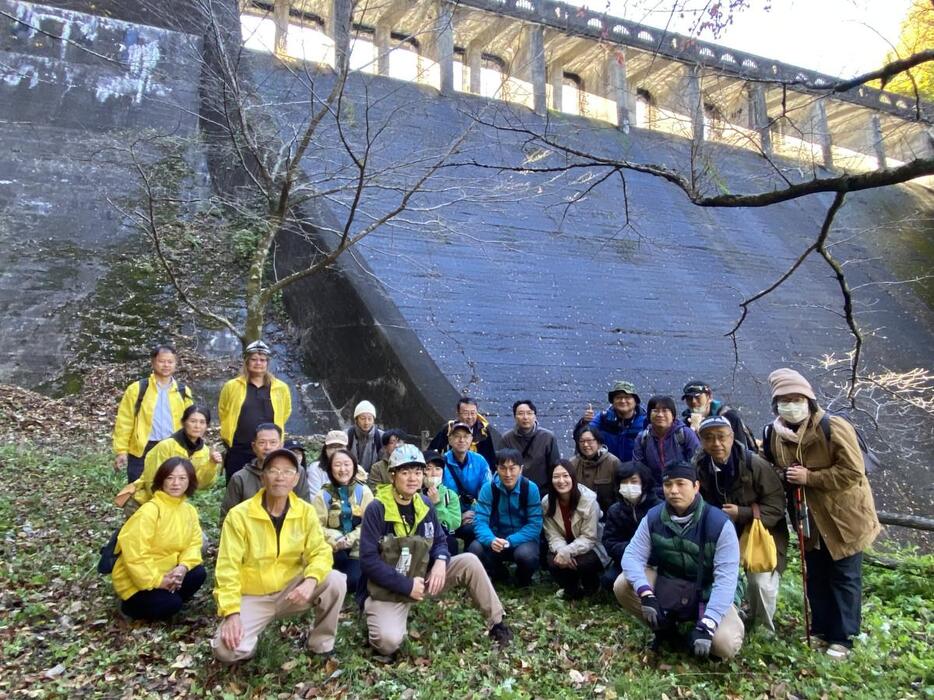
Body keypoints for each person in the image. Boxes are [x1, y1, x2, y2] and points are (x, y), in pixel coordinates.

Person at [764, 368, 880, 659]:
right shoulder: (775, 434)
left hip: (844, 517)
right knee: (815, 574)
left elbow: (852, 471)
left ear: (809, 400)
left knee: (843, 575)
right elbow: (774, 467)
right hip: (808, 519)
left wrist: (810, 477)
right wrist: (785, 474)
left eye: (796, 398)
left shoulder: (833, 426)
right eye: (783, 400)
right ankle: (820, 630)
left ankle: (842, 638)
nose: (791, 405)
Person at [358, 444, 512, 659]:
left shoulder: (425, 504)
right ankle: (373, 612)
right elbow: (368, 560)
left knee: (469, 560)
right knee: (387, 643)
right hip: (388, 589)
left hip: (422, 579)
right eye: (405, 472)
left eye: (418, 472)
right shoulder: (377, 508)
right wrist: (407, 585)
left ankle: (497, 623)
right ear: (393, 475)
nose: (413, 478)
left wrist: (440, 561)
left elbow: (440, 540)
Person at [212, 447, 347, 663]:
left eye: (287, 472)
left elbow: (320, 551)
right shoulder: (239, 516)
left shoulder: (304, 511)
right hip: (253, 595)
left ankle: (320, 643)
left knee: (335, 581)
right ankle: (250, 639)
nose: (280, 477)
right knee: (226, 651)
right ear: (263, 477)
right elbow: (227, 567)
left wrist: (310, 581)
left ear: (296, 479)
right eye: (273, 471)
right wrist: (231, 613)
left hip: (292, 590)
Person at [614, 461, 744, 660]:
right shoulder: (654, 517)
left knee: (724, 645)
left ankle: (713, 624)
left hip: (709, 590)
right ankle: (665, 629)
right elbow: (632, 556)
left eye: (681, 483)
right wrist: (646, 593)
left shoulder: (719, 524)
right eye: (668, 485)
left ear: (696, 486)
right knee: (622, 584)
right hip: (672, 584)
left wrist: (708, 624)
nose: (673, 490)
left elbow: (725, 580)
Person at [694, 416, 787, 632]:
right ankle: (723, 616)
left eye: (721, 437)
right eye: (708, 438)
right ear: (701, 441)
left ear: (732, 437)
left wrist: (742, 513)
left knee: (760, 582)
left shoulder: (755, 464)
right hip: (719, 535)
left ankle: (763, 628)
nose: (716, 443)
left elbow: (776, 506)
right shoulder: (699, 466)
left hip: (761, 532)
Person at [111, 457, 206, 621]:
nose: (176, 483)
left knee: (198, 573)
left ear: (189, 482)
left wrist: (183, 567)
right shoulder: (150, 511)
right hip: (139, 580)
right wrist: (158, 580)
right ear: (161, 480)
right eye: (170, 477)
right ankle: (129, 607)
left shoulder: (189, 511)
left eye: (182, 478)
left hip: (168, 570)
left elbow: (194, 543)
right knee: (171, 604)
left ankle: (167, 596)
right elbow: (134, 554)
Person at [113, 344, 193, 483]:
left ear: (175, 364)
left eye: (170, 362)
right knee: (137, 488)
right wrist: (121, 450)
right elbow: (124, 421)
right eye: (161, 361)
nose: (166, 365)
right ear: (153, 362)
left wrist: (191, 446)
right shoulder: (137, 389)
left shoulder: (182, 391)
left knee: (169, 487)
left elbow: (190, 422)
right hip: (142, 449)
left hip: (172, 447)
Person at [124, 405, 222, 514]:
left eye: (202, 422)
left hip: (175, 505)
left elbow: (200, 484)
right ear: (183, 422)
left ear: (207, 426)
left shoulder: (204, 452)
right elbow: (151, 479)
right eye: (193, 421)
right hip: (145, 503)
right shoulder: (167, 446)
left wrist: (211, 464)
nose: (197, 426)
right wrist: (164, 506)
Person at [218, 340, 292, 482]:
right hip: (239, 448)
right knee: (237, 486)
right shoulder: (232, 386)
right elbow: (224, 411)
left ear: (267, 363)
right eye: (254, 359)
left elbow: (285, 412)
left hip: (269, 449)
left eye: (262, 360)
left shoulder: (280, 388)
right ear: (246, 361)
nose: (258, 363)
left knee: (268, 486)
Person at [468, 448, 543, 587]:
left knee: (526, 555)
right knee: (475, 548)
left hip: (522, 539)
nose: (508, 474)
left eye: (512, 469)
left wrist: (510, 541)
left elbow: (535, 525)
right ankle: (499, 574)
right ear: (496, 468)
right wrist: (491, 540)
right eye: (502, 468)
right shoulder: (488, 489)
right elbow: (480, 521)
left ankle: (523, 580)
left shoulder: (530, 488)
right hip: (496, 537)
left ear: (520, 469)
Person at [541, 460, 608, 599]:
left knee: (583, 562)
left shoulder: (589, 501)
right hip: (565, 544)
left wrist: (568, 551)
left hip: (592, 546)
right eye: (556, 477)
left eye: (565, 476)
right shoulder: (547, 502)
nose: (561, 481)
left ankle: (592, 585)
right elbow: (552, 535)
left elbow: (589, 537)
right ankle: (572, 589)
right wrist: (561, 551)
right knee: (553, 561)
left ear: (573, 477)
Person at [219, 423, 310, 526]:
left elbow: (305, 511)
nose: (267, 447)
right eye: (262, 443)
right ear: (254, 447)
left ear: (281, 445)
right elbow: (227, 520)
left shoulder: (296, 472)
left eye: (273, 443)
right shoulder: (240, 478)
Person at [313, 449, 374, 594]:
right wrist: (334, 538)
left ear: (354, 467)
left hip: (357, 548)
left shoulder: (363, 492)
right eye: (337, 465)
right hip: (332, 548)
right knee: (327, 577)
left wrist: (349, 539)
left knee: (352, 582)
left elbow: (369, 524)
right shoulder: (323, 495)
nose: (343, 469)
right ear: (330, 468)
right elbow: (316, 526)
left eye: (347, 464)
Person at [601, 461, 660, 591]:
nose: (629, 486)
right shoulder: (615, 510)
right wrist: (632, 551)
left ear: (644, 483)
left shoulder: (659, 508)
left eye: (634, 481)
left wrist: (646, 554)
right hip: (626, 559)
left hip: (654, 562)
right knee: (608, 580)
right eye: (624, 482)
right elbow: (609, 541)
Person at [441, 422, 492, 547]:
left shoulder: (479, 461)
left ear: (471, 440)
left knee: (476, 529)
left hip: (473, 515)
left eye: (466, 436)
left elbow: (488, 490)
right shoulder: (441, 462)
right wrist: (458, 516)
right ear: (450, 439)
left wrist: (475, 512)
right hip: (449, 517)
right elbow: (438, 494)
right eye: (457, 436)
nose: (461, 440)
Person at [633, 395, 701, 488]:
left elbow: (696, 464)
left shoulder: (685, 433)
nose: (660, 415)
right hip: (655, 492)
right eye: (655, 411)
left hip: (683, 487)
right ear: (649, 415)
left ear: (673, 415)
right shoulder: (643, 438)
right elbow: (638, 468)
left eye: (665, 411)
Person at [578, 380, 647, 464]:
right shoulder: (603, 418)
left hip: (635, 471)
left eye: (627, 397)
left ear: (635, 401)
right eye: (618, 398)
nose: (623, 401)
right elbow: (584, 434)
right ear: (612, 401)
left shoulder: (645, 421)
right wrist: (585, 422)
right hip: (609, 469)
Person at [498, 400, 561, 490]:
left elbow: (555, 466)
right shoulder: (506, 438)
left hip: (542, 490)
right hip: (514, 489)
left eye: (529, 413)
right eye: (521, 413)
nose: (525, 417)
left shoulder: (548, 437)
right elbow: (501, 466)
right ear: (515, 417)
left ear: (535, 416)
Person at [681, 381, 757, 452]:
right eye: (689, 399)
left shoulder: (729, 417)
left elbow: (742, 450)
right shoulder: (686, 423)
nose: (693, 402)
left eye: (698, 398)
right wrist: (692, 433)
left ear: (709, 397)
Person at [427, 397, 496, 468]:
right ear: (458, 414)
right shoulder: (449, 428)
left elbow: (490, 457)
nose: (470, 417)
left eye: (473, 413)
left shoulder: (483, 430)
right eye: (466, 413)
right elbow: (432, 451)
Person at [569, 426, 622, 517]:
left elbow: (619, 494)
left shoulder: (613, 462)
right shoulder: (572, 463)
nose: (585, 445)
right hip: (580, 516)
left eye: (589, 441)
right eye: (582, 441)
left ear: (599, 442)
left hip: (607, 517)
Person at [421, 450, 462, 555]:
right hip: (419, 535)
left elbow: (454, 524)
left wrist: (437, 505)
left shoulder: (450, 495)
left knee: (451, 543)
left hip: (442, 536)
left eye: (438, 469)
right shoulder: (413, 493)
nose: (434, 473)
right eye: (428, 469)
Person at [306, 430, 349, 501]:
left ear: (347, 449)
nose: (336, 450)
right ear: (325, 450)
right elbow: (314, 497)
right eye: (332, 447)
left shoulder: (354, 468)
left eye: (340, 446)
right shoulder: (315, 468)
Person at [346, 400, 382, 472]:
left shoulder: (381, 437)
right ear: (356, 419)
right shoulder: (346, 435)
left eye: (369, 419)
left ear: (374, 420)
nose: (366, 422)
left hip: (374, 479)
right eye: (363, 418)